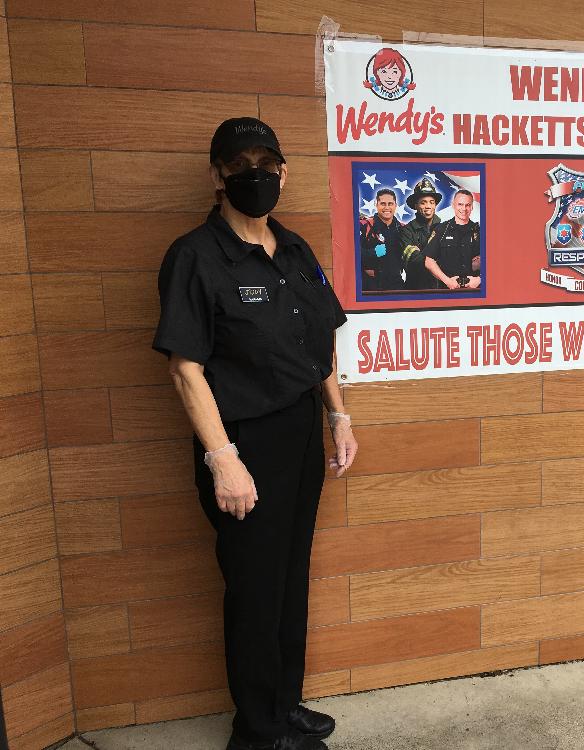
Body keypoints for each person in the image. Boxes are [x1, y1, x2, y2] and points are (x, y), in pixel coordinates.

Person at [153, 117, 359, 750]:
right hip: (243, 438)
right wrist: (223, 458)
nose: (255, 176)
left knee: (289, 575)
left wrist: (338, 416)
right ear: (217, 176)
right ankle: (257, 732)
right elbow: (186, 369)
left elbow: (317, 341)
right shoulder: (195, 256)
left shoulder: (293, 249)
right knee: (253, 588)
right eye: (240, 165)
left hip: (299, 432)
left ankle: (282, 706)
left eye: (266, 164)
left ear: (284, 172)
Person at [424, 189, 482, 289]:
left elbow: (495, 261)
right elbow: (429, 261)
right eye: (460, 204)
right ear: (453, 205)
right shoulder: (441, 229)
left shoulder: (480, 231)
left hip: (474, 290)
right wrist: (447, 281)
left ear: (472, 207)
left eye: (467, 205)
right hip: (447, 290)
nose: (464, 208)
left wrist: (480, 279)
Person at [399, 178, 442, 289]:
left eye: (431, 202)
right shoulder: (407, 231)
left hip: (442, 289)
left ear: (435, 205)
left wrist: (421, 254)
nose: (428, 206)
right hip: (415, 289)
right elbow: (413, 261)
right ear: (416, 206)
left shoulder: (445, 228)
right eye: (423, 202)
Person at [359, 188, 405, 291]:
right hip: (370, 285)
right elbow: (351, 254)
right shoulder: (364, 225)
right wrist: (372, 253)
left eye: (390, 204)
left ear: (395, 205)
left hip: (396, 284)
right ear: (376, 204)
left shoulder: (403, 229)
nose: (387, 207)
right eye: (383, 203)